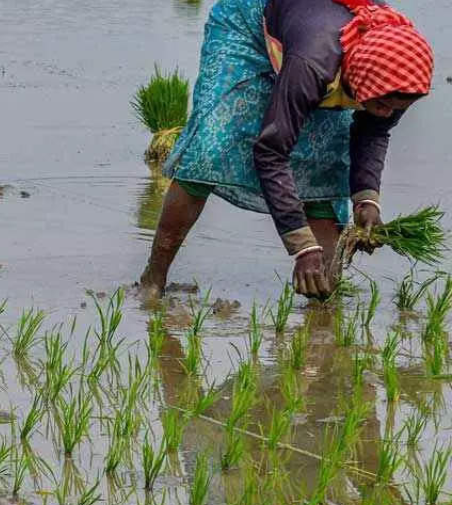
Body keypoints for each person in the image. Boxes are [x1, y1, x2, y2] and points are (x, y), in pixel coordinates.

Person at [139, 0, 433, 300]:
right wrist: (301, 245)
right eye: (382, 105)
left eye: (396, 109)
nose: (386, 113)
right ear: (362, 80)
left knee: (325, 162)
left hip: (315, 35)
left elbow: (374, 130)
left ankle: (322, 305)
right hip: (249, 23)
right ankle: (154, 278)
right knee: (211, 147)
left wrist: (367, 200)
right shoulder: (315, 64)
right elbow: (271, 151)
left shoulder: (399, 71)